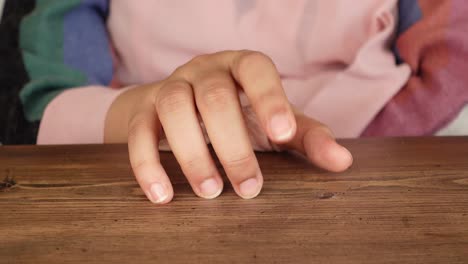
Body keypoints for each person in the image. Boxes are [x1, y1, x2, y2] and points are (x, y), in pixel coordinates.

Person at [19, 0, 468, 203]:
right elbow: (47, 100)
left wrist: (368, 143)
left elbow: (449, 54)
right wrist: (143, 113)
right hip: (130, 154)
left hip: (369, 165)